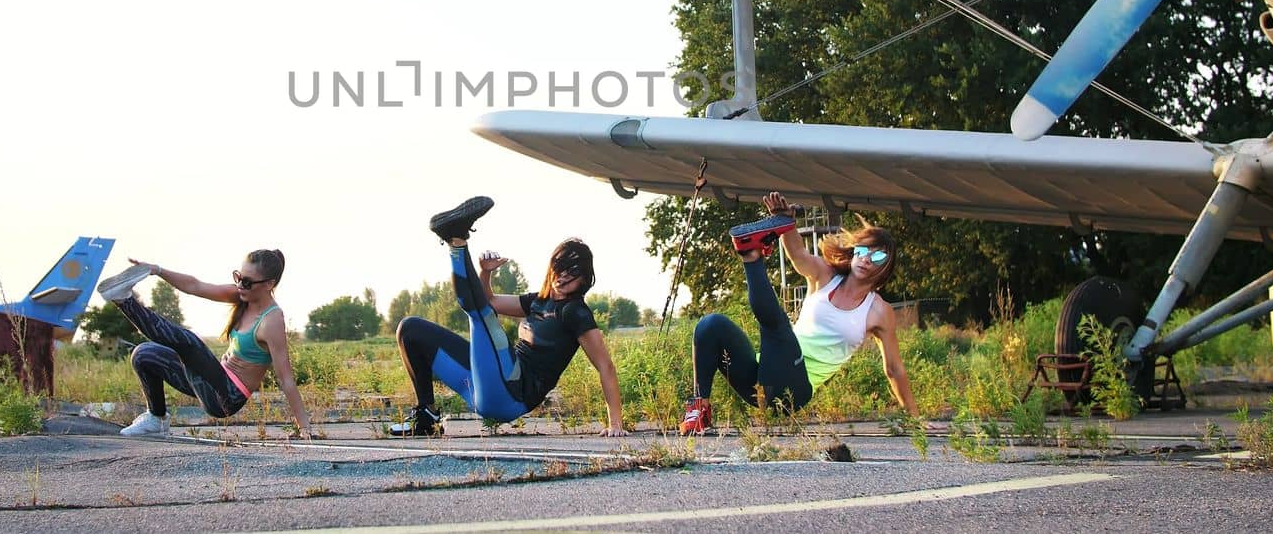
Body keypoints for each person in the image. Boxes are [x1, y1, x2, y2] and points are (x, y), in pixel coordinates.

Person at [390, 196, 627, 437]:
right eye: (558, 266)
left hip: (513, 395)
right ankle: (426, 417)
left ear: (585, 278)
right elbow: (490, 301)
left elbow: (606, 367)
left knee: (483, 318)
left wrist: (615, 424)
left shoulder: (575, 312)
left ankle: (456, 241)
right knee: (410, 330)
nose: (562, 276)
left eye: (572, 271)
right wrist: (485, 273)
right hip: (485, 387)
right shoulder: (539, 301)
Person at [680, 192, 915, 434]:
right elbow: (798, 255)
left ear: (886, 266)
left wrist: (914, 420)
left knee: (778, 328)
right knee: (711, 325)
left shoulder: (878, 311)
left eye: (877, 256)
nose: (866, 259)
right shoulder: (825, 275)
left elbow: (894, 369)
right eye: (862, 250)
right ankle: (699, 409)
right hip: (760, 380)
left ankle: (751, 255)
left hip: (795, 389)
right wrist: (784, 222)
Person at [94, 248, 313, 438]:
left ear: (269, 284)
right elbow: (195, 286)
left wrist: (304, 426)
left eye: (247, 282)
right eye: (238, 277)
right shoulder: (241, 295)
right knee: (144, 354)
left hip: (226, 397)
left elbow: (286, 379)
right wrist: (157, 270)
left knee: (188, 342)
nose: (240, 285)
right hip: (210, 382)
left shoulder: (272, 320)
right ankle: (156, 420)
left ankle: (124, 300)